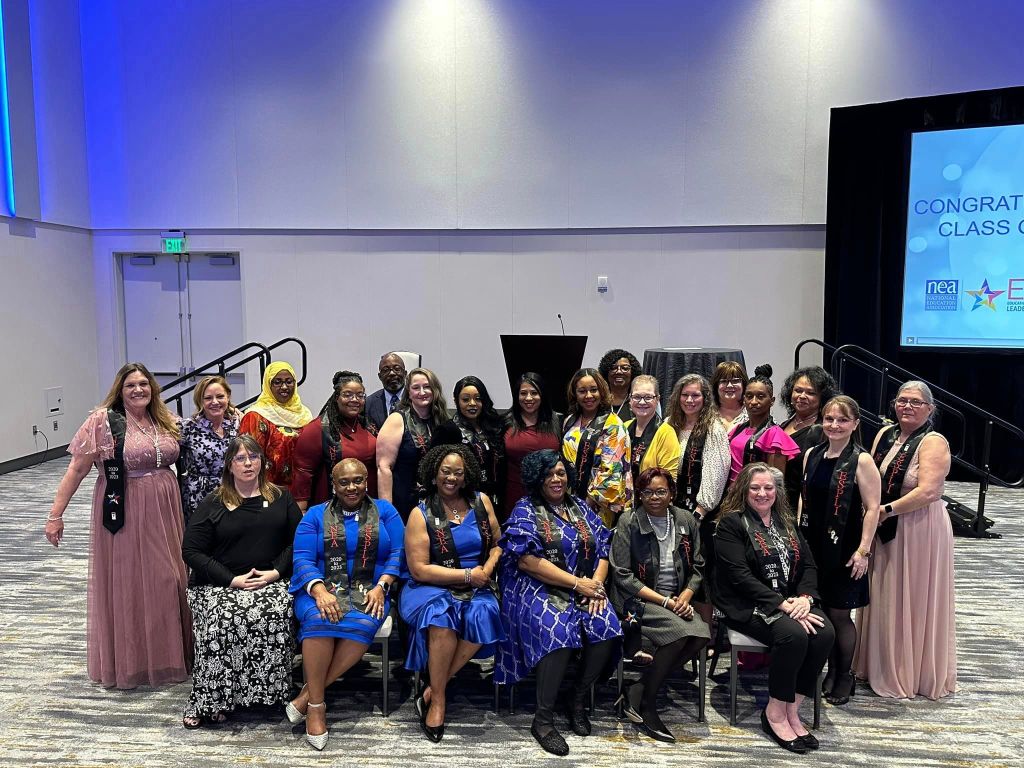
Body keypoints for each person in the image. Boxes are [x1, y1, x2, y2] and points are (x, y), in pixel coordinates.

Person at [44, 362, 193, 689]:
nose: (138, 390)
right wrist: (56, 515)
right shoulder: (102, 421)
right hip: (125, 506)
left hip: (165, 508)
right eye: (131, 385)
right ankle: (133, 662)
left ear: (152, 387)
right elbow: (77, 469)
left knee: (170, 578)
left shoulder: (164, 418)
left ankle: (168, 656)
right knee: (132, 582)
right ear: (120, 390)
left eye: (143, 384)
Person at [495, 449, 621, 756]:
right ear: (537, 478)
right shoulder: (526, 510)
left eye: (561, 473)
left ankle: (576, 697)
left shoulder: (580, 507)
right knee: (558, 631)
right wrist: (578, 584)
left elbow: (604, 548)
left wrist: (596, 586)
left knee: (606, 624)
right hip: (534, 587)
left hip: (585, 586)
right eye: (549, 474)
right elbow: (526, 561)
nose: (556, 479)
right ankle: (543, 720)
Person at [180, 435, 302, 729]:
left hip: (270, 580)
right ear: (229, 465)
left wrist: (276, 572)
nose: (248, 464)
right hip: (219, 583)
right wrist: (231, 579)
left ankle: (268, 693)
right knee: (222, 619)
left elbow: (299, 541)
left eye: (254, 457)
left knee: (274, 613)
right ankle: (211, 699)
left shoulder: (281, 497)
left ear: (262, 462)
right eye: (240, 458)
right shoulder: (214, 502)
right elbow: (191, 551)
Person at [713, 463, 835, 754]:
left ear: (776, 491)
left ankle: (793, 708)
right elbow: (739, 577)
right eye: (755, 487)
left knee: (825, 633)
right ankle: (775, 713)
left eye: (768, 487)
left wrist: (805, 599)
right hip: (747, 603)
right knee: (793, 636)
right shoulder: (731, 524)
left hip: (792, 600)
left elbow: (808, 565)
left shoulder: (786, 522)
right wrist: (782, 604)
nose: (762, 493)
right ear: (744, 490)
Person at [286, 458, 404, 750]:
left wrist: (382, 585)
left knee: (363, 621)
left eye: (358, 480)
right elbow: (301, 557)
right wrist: (319, 591)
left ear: (367, 482)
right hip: (319, 589)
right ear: (334, 485)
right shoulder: (315, 515)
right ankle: (317, 707)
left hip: (371, 590)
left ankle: (307, 697)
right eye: (344, 482)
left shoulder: (386, 511)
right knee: (319, 619)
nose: (352, 487)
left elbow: (399, 553)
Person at [853, 381, 956, 700]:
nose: (907, 406)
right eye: (902, 400)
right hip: (884, 525)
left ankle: (908, 671)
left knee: (911, 595)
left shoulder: (934, 442)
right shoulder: (885, 434)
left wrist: (886, 510)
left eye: (915, 402)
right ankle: (877, 665)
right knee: (883, 592)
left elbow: (929, 491)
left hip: (918, 528)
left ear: (929, 409)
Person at [401, 445, 504, 742]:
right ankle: (439, 702)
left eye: (458, 473)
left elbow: (499, 543)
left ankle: (432, 689)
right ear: (434, 474)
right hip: (430, 587)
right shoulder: (420, 514)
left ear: (466, 475)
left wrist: (487, 568)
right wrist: (468, 575)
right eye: (445, 472)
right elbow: (419, 569)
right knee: (441, 616)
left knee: (486, 612)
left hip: (478, 583)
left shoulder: (481, 502)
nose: (451, 478)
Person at [610, 468, 709, 743]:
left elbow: (698, 566)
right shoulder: (628, 521)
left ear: (672, 493)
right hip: (637, 600)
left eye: (661, 491)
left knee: (701, 634)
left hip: (675, 599)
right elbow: (622, 575)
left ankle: (639, 688)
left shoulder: (685, 519)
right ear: (639, 495)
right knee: (680, 633)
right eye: (647, 492)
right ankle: (648, 703)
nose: (654, 497)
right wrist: (665, 601)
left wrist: (685, 597)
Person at [798, 395, 880, 705]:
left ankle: (843, 674)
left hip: (846, 548)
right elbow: (804, 498)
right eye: (830, 419)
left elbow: (872, 508)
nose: (834, 425)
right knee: (821, 613)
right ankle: (827, 672)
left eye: (842, 420)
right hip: (813, 546)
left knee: (840, 615)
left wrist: (864, 551)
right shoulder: (812, 454)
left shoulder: (862, 460)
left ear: (855, 424)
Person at [664, 374, 731, 603]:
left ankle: (704, 623)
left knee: (698, 571)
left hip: (700, 514)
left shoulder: (713, 429)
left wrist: (699, 513)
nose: (690, 400)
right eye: (685, 395)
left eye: (695, 395)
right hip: (669, 510)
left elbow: (717, 473)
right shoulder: (669, 424)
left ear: (705, 398)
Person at [292, 371, 378, 512]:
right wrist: (301, 511)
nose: (355, 399)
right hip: (331, 511)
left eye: (360, 395)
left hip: (368, 508)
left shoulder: (368, 426)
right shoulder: (317, 429)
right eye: (347, 394)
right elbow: (303, 473)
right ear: (336, 397)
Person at [376, 367, 449, 523]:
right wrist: (387, 513)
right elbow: (384, 468)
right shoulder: (397, 420)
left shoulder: (442, 420)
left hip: (436, 502)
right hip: (403, 503)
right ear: (408, 393)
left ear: (434, 390)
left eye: (427, 387)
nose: (422, 392)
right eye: (416, 388)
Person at [561, 368, 632, 527]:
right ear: (574, 394)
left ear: (602, 391)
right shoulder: (570, 421)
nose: (588, 396)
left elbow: (611, 471)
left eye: (594, 390)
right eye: (582, 391)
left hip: (597, 505)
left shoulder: (613, 425)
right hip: (568, 499)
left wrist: (584, 505)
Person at [430, 376, 505, 509]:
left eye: (478, 399)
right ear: (456, 401)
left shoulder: (492, 427)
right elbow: (434, 470)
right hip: (460, 500)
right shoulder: (447, 430)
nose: (472, 403)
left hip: (493, 499)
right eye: (465, 399)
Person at [178, 375, 241, 521]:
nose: (215, 402)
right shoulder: (187, 427)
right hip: (198, 497)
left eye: (220, 396)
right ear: (200, 401)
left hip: (233, 493)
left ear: (228, 397)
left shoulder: (238, 424)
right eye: (208, 398)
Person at [239, 362, 313, 486]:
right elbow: (248, 458)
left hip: (301, 489)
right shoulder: (255, 416)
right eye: (277, 382)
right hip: (266, 489)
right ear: (268, 385)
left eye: (289, 382)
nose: (284, 387)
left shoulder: (305, 415)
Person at [727, 364, 800, 485]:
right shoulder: (737, 429)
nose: (754, 401)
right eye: (749, 396)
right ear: (744, 399)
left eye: (760, 397)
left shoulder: (775, 435)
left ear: (772, 401)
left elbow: (774, 484)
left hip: (754, 494)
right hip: (730, 494)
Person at [501, 372, 562, 517]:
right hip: (514, 494)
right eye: (523, 393)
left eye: (534, 393)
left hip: (551, 493)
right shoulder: (504, 423)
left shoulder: (558, 421)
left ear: (542, 395)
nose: (528, 398)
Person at [780, 366, 837, 510]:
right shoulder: (783, 425)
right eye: (798, 390)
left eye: (810, 393)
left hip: (802, 506)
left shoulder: (822, 431)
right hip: (775, 502)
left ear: (822, 398)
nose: (802, 396)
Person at [623, 374, 679, 486]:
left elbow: (669, 479)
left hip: (651, 495)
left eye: (648, 397)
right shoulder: (623, 427)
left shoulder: (666, 432)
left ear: (657, 399)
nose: (642, 402)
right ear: (630, 399)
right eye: (637, 397)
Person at [365, 352, 407, 432]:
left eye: (397, 369)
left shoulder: (416, 399)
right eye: (386, 370)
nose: (392, 373)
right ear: (380, 376)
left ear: (405, 374)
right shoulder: (368, 403)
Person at [598, 348, 643, 420]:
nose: (619, 372)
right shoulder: (598, 400)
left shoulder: (640, 400)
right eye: (613, 368)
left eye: (625, 368)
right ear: (606, 372)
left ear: (633, 372)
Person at [711, 360, 748, 429]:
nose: (729, 385)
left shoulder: (753, 412)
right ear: (716, 385)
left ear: (743, 384)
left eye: (735, 381)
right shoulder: (705, 414)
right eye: (724, 381)